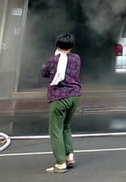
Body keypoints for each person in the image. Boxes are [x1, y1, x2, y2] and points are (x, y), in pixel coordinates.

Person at [41, 33, 82, 173]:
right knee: (66, 126)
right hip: (75, 96)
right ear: (71, 46)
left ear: (57, 45)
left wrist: (50, 61)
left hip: (59, 98)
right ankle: (69, 156)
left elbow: (44, 72)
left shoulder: (53, 60)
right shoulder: (76, 58)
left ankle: (60, 163)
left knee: (55, 131)